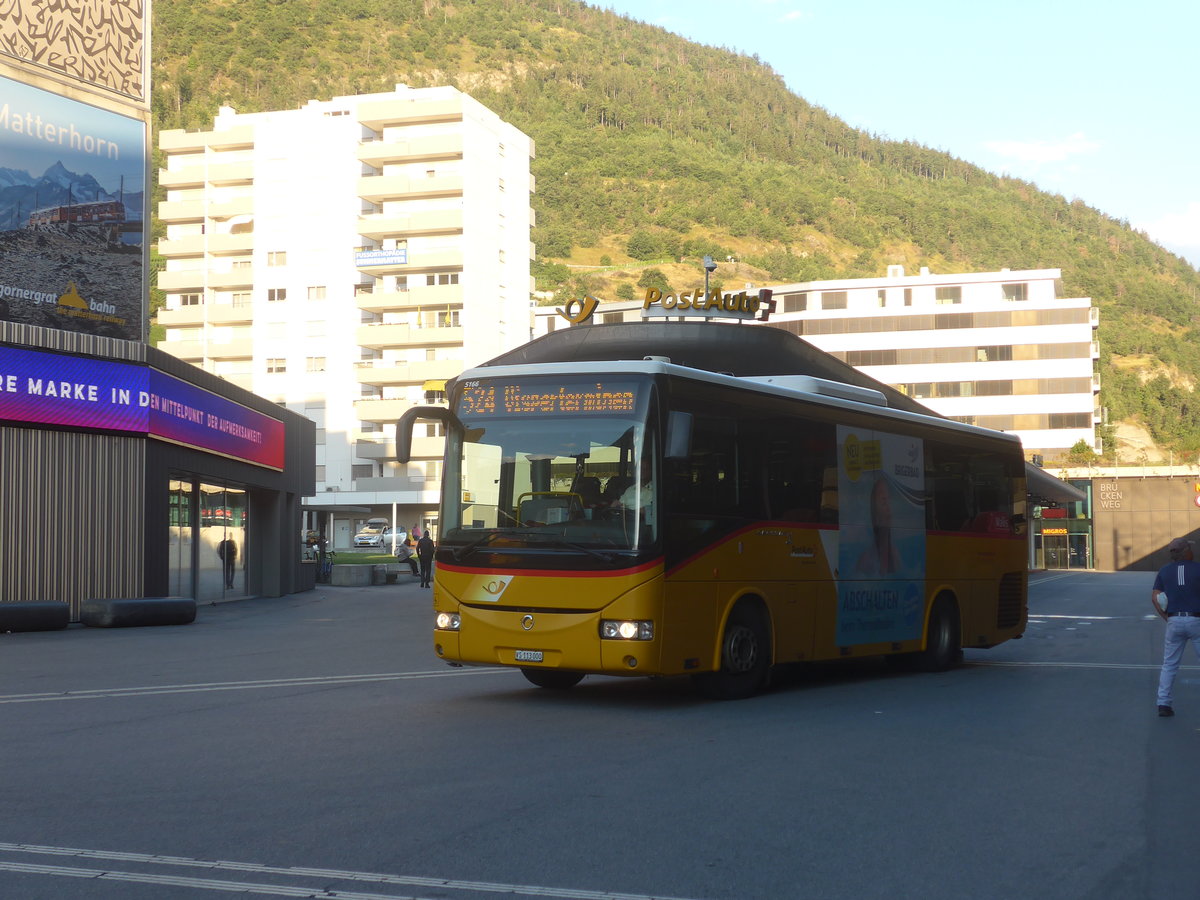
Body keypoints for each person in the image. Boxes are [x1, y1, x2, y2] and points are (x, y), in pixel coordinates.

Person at [1150, 536, 1200, 717]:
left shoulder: (1164, 571)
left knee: (1169, 664)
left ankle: (1163, 703)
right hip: (1196, 620)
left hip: (1174, 620)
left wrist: (1168, 617)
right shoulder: (1198, 569)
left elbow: (1155, 597)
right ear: (1186, 551)